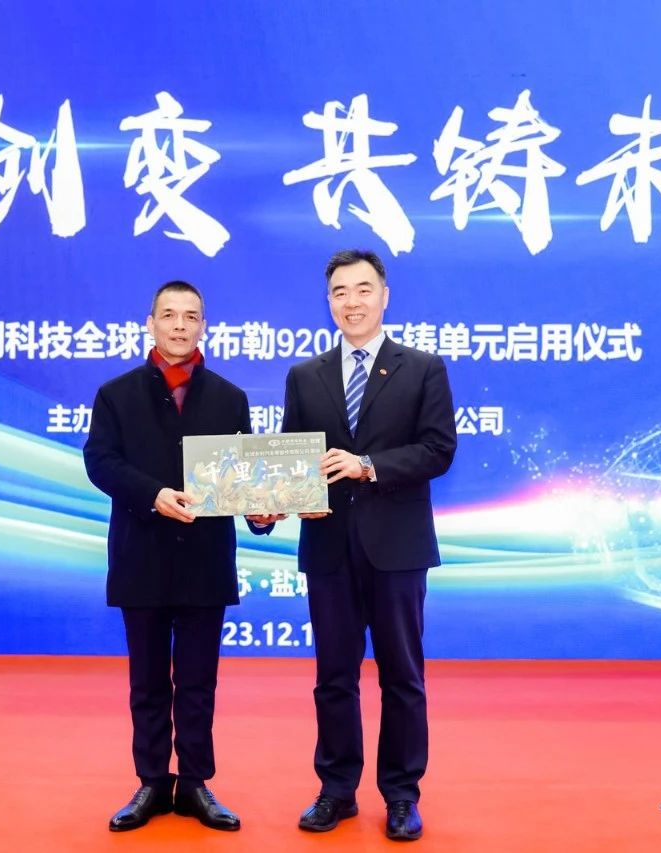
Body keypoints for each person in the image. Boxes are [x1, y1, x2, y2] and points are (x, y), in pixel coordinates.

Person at [83, 280, 272, 833]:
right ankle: (150, 781)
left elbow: (242, 479)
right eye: (169, 315)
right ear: (151, 323)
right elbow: (100, 462)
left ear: (203, 326)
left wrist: (261, 512)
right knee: (146, 681)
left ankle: (194, 783)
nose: (180, 325)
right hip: (141, 556)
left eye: (191, 316)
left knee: (197, 681)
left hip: (205, 561)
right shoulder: (116, 394)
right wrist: (153, 494)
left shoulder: (230, 398)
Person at [281, 249, 457, 841]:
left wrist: (368, 466)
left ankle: (402, 795)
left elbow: (438, 450)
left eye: (362, 290)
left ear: (385, 296)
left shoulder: (423, 368)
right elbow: (292, 460)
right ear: (328, 301)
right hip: (328, 546)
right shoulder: (305, 376)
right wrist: (269, 503)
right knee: (333, 676)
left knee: (402, 676)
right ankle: (336, 790)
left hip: (397, 547)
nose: (351, 302)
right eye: (339, 292)